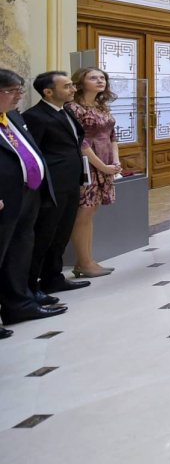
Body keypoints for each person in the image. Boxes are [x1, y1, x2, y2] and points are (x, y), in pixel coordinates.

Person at [0, 69, 68, 334]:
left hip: (27, 194)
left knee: (19, 252)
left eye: (19, 91)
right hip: (4, 199)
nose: (19, 97)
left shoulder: (13, 116)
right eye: (12, 92)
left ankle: (18, 304)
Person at [22, 72, 89, 297]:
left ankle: (53, 277)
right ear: (48, 92)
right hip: (52, 184)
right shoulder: (35, 116)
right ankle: (32, 284)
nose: (72, 89)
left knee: (62, 232)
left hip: (70, 181)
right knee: (45, 234)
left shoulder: (66, 111)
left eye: (72, 85)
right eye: (67, 86)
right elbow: (33, 153)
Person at [66, 67, 122, 275]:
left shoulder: (101, 106)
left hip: (105, 161)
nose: (100, 81)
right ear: (81, 82)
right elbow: (81, 142)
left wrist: (115, 161)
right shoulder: (74, 108)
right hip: (87, 164)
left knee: (91, 212)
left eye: (102, 77)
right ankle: (84, 261)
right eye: (93, 78)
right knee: (84, 213)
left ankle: (87, 260)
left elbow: (112, 136)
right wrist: (102, 165)